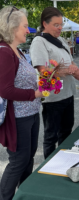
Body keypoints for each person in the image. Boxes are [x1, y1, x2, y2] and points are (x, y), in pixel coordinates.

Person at [30, 7, 79, 159]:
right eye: (56, 25)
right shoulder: (38, 42)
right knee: (51, 137)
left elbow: (70, 62)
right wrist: (69, 70)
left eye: (61, 24)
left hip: (68, 94)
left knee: (66, 132)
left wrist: (77, 73)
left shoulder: (61, 40)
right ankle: (49, 166)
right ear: (45, 24)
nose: (60, 28)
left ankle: (64, 161)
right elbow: (44, 72)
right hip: (53, 99)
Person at [0, 6, 43, 200]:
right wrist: (35, 93)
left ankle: (24, 196)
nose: (28, 30)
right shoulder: (4, 52)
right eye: (25, 26)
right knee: (18, 161)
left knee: (27, 160)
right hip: (18, 118)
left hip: (31, 115)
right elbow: (5, 90)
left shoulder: (18, 51)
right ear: (12, 28)